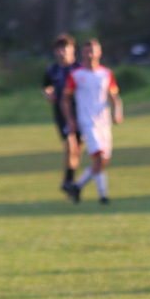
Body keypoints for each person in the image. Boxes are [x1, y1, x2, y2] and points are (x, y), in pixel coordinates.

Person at [62, 38, 123, 204]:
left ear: (99, 53)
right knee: (100, 158)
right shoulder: (76, 75)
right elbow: (65, 100)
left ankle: (79, 186)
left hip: (105, 121)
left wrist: (117, 112)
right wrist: (70, 121)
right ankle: (103, 196)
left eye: (93, 51)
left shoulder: (106, 73)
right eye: (87, 51)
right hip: (87, 121)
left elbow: (114, 96)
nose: (90, 55)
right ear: (82, 53)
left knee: (104, 159)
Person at [42, 33, 82, 198]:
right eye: (59, 49)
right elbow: (46, 86)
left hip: (81, 112)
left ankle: (70, 181)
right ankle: (68, 180)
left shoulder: (79, 69)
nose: (62, 52)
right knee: (70, 146)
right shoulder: (52, 70)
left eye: (65, 48)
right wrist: (48, 94)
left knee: (78, 150)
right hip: (62, 113)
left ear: (72, 49)